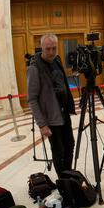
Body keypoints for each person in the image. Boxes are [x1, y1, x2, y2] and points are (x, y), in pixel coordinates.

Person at [27, 34, 76, 178]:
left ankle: (68, 174)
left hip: (63, 113)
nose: (51, 52)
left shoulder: (57, 60)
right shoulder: (34, 68)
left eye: (54, 48)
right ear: (41, 48)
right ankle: (63, 181)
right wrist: (42, 124)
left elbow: (63, 84)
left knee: (70, 145)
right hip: (50, 118)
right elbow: (32, 99)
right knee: (58, 151)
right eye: (48, 49)